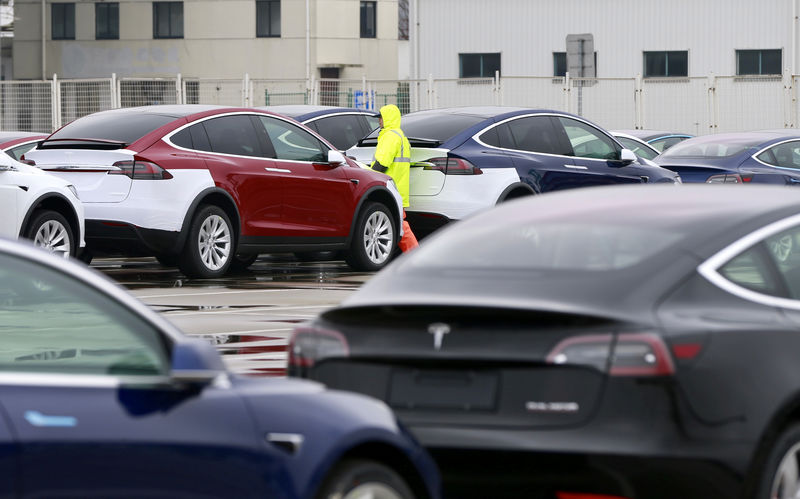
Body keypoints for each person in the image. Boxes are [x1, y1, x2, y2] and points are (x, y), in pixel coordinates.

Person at [370, 104, 419, 252]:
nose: (379, 121)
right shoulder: (400, 135)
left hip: (389, 187)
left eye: (381, 118)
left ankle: (415, 255)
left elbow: (382, 162)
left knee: (399, 225)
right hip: (397, 188)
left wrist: (369, 177)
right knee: (392, 224)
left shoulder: (390, 136)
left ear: (388, 119)